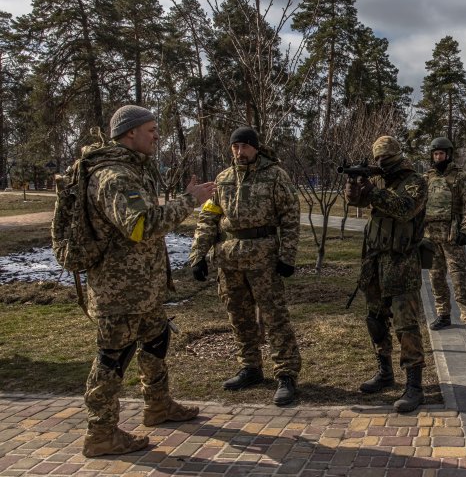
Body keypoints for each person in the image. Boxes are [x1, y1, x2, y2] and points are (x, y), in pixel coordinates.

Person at [81, 105, 216, 457]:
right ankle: (101, 433)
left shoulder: (133, 169)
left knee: (156, 341)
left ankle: (158, 405)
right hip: (120, 291)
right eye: (152, 130)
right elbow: (140, 227)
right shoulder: (114, 176)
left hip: (143, 288)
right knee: (113, 358)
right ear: (130, 133)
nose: (157, 136)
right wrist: (190, 201)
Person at [189, 127, 302, 406]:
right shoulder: (223, 179)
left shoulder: (275, 175)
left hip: (263, 258)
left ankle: (286, 374)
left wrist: (288, 256)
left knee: (274, 317)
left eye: (244, 147)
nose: (239, 152)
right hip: (229, 259)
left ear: (255, 147)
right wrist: (198, 254)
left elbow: (290, 216)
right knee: (239, 317)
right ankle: (250, 367)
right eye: (235, 147)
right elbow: (209, 217)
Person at [344, 135, 428, 412]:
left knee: (405, 325)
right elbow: (361, 205)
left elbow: (404, 209)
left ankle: (414, 385)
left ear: (396, 158)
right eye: (376, 160)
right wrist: (356, 192)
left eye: (385, 160)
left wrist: (373, 192)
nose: (380, 164)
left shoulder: (415, 182)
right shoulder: (385, 184)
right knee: (376, 319)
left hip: (401, 262)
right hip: (375, 260)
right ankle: (385, 372)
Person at [424, 137, 466, 339]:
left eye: (441, 153)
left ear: (448, 154)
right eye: (435, 154)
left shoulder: (460, 177)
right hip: (432, 237)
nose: (438, 157)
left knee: (458, 279)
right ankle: (443, 314)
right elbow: (420, 205)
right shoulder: (427, 178)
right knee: (436, 278)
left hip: (452, 237)